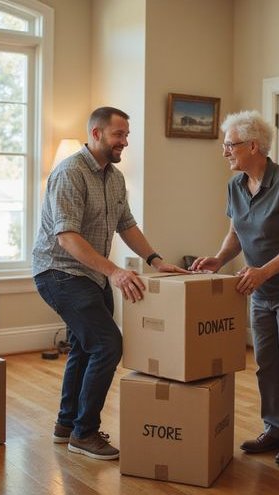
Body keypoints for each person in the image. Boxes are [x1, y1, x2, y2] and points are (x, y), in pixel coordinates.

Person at [32, 106, 187, 461]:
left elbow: (127, 225)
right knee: (107, 345)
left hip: (91, 273)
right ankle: (84, 433)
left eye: (127, 135)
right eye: (119, 135)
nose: (125, 142)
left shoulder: (114, 177)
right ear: (97, 134)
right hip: (59, 272)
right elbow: (67, 238)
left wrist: (156, 260)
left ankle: (67, 425)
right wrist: (115, 272)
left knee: (86, 347)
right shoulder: (70, 173)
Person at [190, 110, 279, 466]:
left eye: (230, 145)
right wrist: (219, 259)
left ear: (254, 146)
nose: (225, 152)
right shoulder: (235, 185)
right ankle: (276, 428)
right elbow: (236, 231)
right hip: (262, 286)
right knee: (266, 362)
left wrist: (263, 272)